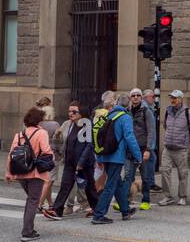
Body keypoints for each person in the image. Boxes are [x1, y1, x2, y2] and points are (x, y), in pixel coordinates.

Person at [5, 106, 55, 241]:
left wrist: (8, 172)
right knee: (33, 200)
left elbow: (11, 154)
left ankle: (29, 228)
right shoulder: (41, 133)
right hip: (35, 173)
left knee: (30, 200)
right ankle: (27, 231)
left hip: (21, 172)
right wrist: (52, 158)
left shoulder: (19, 135)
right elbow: (46, 150)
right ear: (39, 120)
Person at [90, 92, 141, 224]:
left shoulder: (109, 115)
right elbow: (130, 137)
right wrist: (138, 155)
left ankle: (125, 210)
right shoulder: (125, 117)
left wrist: (100, 158)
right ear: (128, 104)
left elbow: (100, 136)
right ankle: (99, 215)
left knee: (117, 182)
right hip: (116, 156)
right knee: (111, 185)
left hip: (106, 154)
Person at [50, 102, 99, 218]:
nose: (70, 114)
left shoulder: (87, 125)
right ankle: (57, 211)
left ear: (81, 113)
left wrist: (81, 162)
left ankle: (97, 209)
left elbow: (89, 145)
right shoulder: (70, 124)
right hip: (70, 162)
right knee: (65, 186)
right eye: (69, 111)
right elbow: (67, 142)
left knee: (89, 187)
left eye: (74, 112)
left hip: (84, 163)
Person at [158, 89, 190, 206]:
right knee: (165, 171)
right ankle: (167, 196)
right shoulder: (167, 111)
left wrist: (186, 141)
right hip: (168, 147)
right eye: (171, 98)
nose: (172, 100)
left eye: (174, 98)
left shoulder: (187, 113)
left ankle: (183, 196)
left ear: (180, 99)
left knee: (182, 173)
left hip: (181, 148)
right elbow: (165, 125)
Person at [128, 89, 157, 211]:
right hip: (130, 148)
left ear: (141, 98)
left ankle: (146, 200)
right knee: (128, 176)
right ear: (130, 98)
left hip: (143, 147)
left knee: (145, 176)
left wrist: (148, 149)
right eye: (133, 95)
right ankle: (125, 200)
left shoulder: (146, 111)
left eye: (138, 95)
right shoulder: (127, 111)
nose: (135, 97)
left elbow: (151, 131)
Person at [35, 97, 61, 213]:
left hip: (40, 155)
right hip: (52, 155)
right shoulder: (55, 125)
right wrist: (61, 154)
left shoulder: (39, 124)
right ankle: (39, 204)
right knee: (49, 181)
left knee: (46, 179)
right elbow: (58, 142)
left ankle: (50, 203)